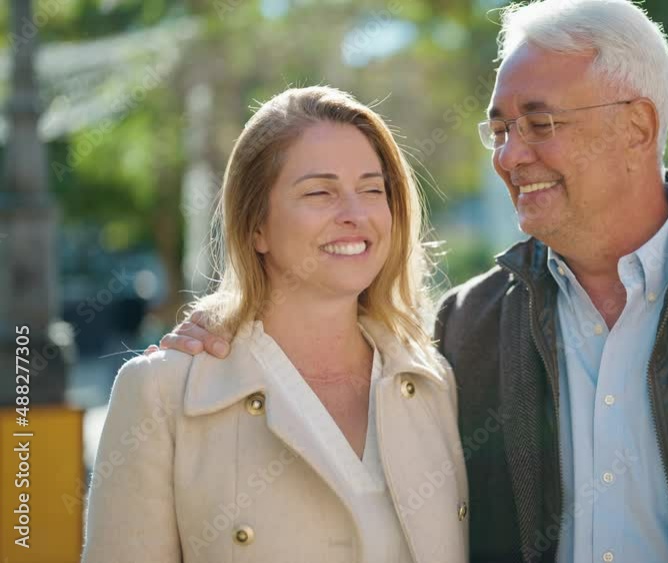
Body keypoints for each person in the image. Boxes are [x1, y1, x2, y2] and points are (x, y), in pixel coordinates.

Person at [157, 1, 668, 562]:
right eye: (500, 129)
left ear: (636, 125)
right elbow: (330, 359)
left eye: (539, 123)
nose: (508, 156)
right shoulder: (461, 328)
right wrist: (233, 328)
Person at [83, 86, 468, 563]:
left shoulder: (434, 384)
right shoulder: (163, 393)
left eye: (372, 189)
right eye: (320, 192)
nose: (354, 214)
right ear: (255, 227)